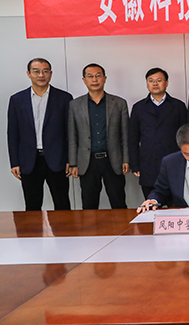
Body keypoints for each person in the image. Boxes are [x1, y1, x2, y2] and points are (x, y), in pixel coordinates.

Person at [7, 58, 73, 211]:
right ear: (28, 74)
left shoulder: (64, 98)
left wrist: (70, 159)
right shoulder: (17, 100)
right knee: (32, 206)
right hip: (29, 160)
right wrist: (14, 162)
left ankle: (63, 229)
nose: (41, 75)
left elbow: (70, 132)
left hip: (58, 160)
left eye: (45, 71)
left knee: (62, 204)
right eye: (36, 71)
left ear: (51, 74)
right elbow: (12, 133)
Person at [68, 63, 129, 209]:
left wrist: (126, 159)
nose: (94, 79)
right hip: (87, 162)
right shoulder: (75, 105)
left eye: (98, 76)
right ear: (84, 80)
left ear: (104, 78)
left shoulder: (119, 103)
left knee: (118, 203)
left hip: (112, 160)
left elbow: (125, 135)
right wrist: (73, 163)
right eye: (90, 76)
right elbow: (72, 136)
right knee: (89, 206)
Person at [129, 67, 187, 200]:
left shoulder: (178, 106)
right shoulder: (138, 107)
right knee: (151, 204)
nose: (155, 83)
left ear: (166, 83)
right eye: (151, 80)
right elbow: (132, 139)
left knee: (175, 205)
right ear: (147, 84)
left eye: (159, 80)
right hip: (148, 164)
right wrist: (135, 165)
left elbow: (185, 137)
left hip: (174, 163)